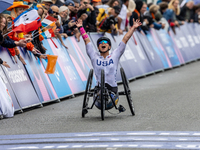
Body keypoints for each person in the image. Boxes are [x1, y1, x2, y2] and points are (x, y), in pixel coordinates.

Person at [75, 18, 141, 110]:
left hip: (112, 88)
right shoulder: (94, 56)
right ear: (98, 47)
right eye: (100, 43)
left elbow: (125, 39)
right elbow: (87, 41)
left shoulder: (115, 55)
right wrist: (81, 28)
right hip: (99, 88)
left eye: (105, 42)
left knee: (109, 96)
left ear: (109, 46)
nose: (103, 44)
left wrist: (133, 28)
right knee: (100, 94)